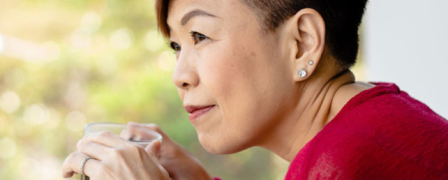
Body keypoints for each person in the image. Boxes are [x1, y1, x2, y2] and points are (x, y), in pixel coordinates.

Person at [62, 0, 448, 179]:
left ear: (301, 42)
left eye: (201, 35)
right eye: (178, 46)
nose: (180, 74)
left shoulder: (349, 161)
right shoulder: (372, 121)